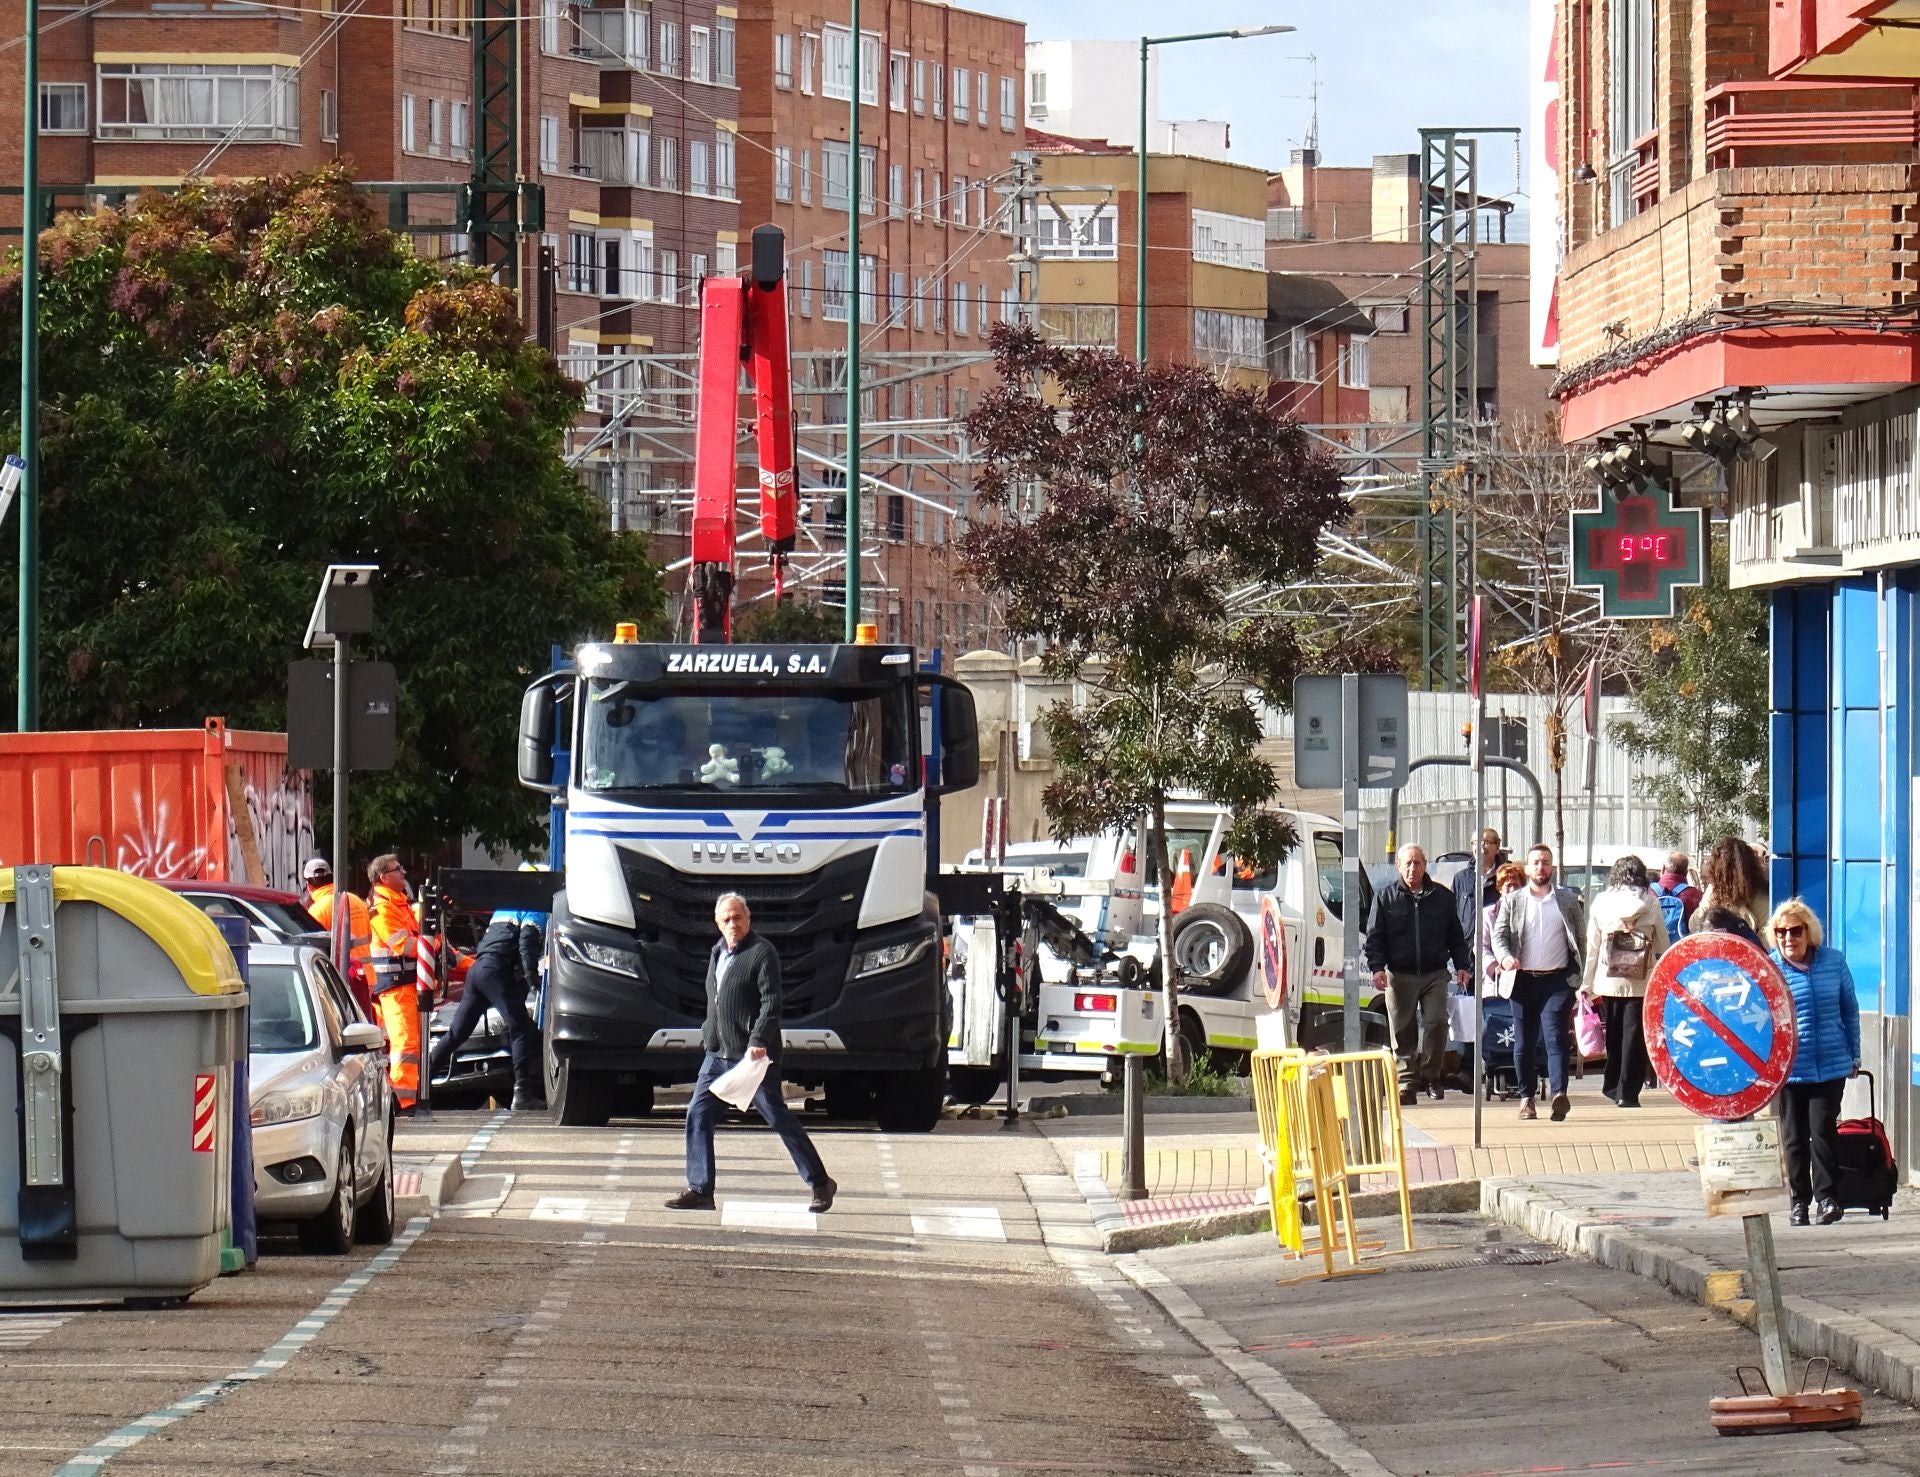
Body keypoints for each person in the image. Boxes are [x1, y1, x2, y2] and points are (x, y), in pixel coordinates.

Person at [667, 894, 836, 1214]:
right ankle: (700, 1189)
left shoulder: (762, 952)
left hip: (753, 1058)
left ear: (749, 918)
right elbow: (715, 1000)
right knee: (698, 1114)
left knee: (777, 1117)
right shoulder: (717, 952)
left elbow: (772, 1002)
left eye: (738, 917)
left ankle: (819, 1182)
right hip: (718, 1054)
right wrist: (709, 1032)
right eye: (726, 919)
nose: (733, 924)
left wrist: (759, 1038)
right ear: (717, 923)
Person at [1767, 899, 1861, 1227]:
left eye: (1795, 930)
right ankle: (1798, 1203)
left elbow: (1849, 1009)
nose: (1788, 938)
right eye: (1781, 932)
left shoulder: (1834, 962)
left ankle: (1827, 1199)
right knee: (1794, 1137)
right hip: (1791, 1069)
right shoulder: (1770, 968)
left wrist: (1854, 1054)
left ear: (1810, 932)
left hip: (1832, 1063)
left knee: (1823, 1131)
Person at [1363, 844, 1471, 1106]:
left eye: (1418, 863)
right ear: (1399, 866)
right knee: (1402, 1030)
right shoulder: (1386, 898)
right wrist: (1377, 968)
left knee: (1436, 1022)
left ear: (1425, 865)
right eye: (1408, 863)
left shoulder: (1443, 898)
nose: (1413, 868)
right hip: (1399, 975)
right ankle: (1406, 1082)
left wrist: (1462, 965)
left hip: (1435, 973)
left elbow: (1456, 937)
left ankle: (1432, 1076)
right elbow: (1374, 938)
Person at [428, 879, 547, 1112]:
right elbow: (526, 941)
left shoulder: (504, 907)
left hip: (478, 971)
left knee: (457, 1033)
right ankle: (523, 1093)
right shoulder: (534, 907)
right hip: (496, 972)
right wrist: (533, 979)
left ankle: (420, 1088)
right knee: (520, 1028)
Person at [1491, 844, 1587, 1122]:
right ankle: (1526, 1098)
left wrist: (1581, 978)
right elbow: (1499, 936)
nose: (1541, 868)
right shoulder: (1514, 900)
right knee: (1524, 1043)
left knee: (1556, 1037)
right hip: (1522, 981)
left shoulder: (1568, 900)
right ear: (1527, 868)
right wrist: (1506, 957)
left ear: (1552, 867)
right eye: (1535, 863)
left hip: (1557, 980)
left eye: (1545, 862)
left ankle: (1559, 1094)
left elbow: (1580, 940)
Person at [1578, 855, 1670, 1110]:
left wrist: (1586, 983)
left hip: (1609, 978)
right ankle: (1628, 1092)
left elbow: (1593, 947)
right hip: (1641, 979)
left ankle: (1612, 1085)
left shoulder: (1601, 901)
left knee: (1615, 1033)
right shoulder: (1650, 901)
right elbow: (1662, 942)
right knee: (1635, 1035)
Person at [366, 853, 424, 1112]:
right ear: (383, 877)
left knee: (404, 1044)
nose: (403, 872)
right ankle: (403, 1102)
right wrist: (431, 944)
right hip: (394, 987)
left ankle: (402, 1099)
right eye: (398, 869)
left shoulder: (399, 905)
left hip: (403, 985)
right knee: (405, 1045)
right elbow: (405, 945)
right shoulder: (383, 908)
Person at [302, 856, 374, 1017]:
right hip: (366, 976)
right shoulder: (355, 900)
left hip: (340, 980)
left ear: (308, 885)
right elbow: (369, 936)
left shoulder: (317, 910)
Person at [1690, 836, 1768, 936]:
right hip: (1747, 949)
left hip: (1714, 948)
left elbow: (1693, 924)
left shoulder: (1714, 890)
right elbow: (1766, 932)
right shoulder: (1758, 892)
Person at [1455, 828, 1507, 948]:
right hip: (1468, 950)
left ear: (1497, 848)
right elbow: (1454, 915)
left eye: (1486, 842)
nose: (1480, 847)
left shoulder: (1507, 876)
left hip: (1498, 948)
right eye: (1475, 842)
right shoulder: (1461, 878)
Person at [1653, 851, 1701, 941]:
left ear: (1663, 869)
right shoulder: (1695, 895)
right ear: (1686, 873)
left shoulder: (1649, 892)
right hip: (1681, 950)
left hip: (1653, 950)